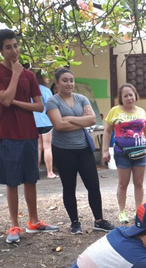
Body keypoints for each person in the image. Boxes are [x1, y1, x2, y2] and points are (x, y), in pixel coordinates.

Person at [0, 28, 58, 243]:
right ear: (0, 50)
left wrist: (16, 102)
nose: (14, 51)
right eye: (8, 47)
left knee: (31, 179)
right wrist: (15, 75)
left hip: (29, 133)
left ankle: (33, 222)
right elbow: (4, 99)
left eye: (15, 46)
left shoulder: (29, 75)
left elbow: (38, 105)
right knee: (11, 181)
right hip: (8, 134)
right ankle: (14, 226)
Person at [46, 68, 115, 235]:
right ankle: (75, 222)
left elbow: (93, 119)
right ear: (57, 83)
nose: (69, 83)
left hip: (83, 148)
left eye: (71, 80)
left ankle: (99, 220)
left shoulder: (82, 98)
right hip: (63, 150)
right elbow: (58, 126)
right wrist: (80, 122)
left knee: (93, 185)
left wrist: (69, 118)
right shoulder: (52, 102)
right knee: (69, 187)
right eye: (65, 80)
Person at [101, 84, 146, 224]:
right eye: (125, 96)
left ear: (135, 95)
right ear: (121, 98)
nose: (129, 98)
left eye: (131, 94)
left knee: (139, 183)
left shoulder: (141, 112)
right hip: (122, 153)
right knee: (122, 184)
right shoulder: (114, 111)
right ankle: (122, 211)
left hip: (140, 153)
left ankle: (139, 211)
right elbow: (107, 132)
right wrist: (105, 151)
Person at [33, 71, 57, 179]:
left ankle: (35, 172)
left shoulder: (30, 90)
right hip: (46, 121)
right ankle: (49, 172)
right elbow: (50, 105)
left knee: (37, 148)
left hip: (34, 122)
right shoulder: (45, 90)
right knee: (47, 147)